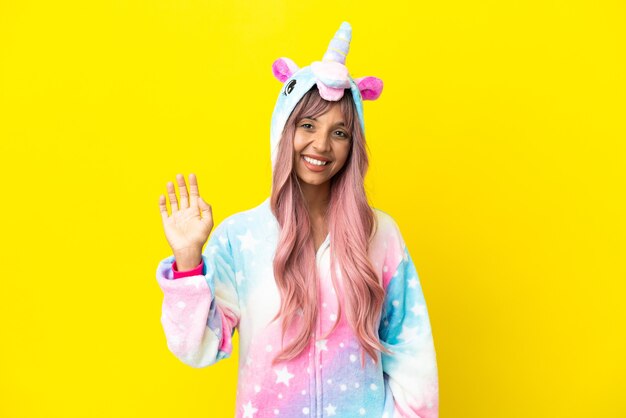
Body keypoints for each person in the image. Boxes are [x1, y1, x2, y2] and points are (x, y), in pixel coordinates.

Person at [156, 22, 439, 418]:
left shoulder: (380, 235)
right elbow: (198, 346)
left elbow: (412, 353)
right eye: (307, 125)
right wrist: (188, 260)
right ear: (283, 129)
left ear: (352, 144)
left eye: (339, 132)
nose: (321, 145)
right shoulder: (241, 238)